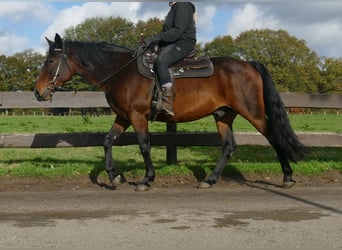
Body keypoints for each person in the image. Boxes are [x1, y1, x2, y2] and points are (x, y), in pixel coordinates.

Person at [145, 2, 197, 116]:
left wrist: (155, 38)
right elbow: (168, 33)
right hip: (174, 42)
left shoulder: (182, 5)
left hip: (183, 42)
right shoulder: (175, 7)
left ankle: (168, 102)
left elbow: (176, 32)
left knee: (161, 61)